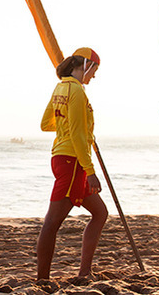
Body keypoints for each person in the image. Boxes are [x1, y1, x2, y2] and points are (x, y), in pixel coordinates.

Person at [36, 47, 109, 283]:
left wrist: (70, 126)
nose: (94, 76)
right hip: (72, 161)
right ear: (86, 65)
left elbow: (47, 123)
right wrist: (91, 172)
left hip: (63, 157)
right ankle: (42, 280)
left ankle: (85, 272)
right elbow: (77, 135)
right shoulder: (76, 91)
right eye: (94, 70)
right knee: (52, 222)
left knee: (100, 213)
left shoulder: (60, 87)